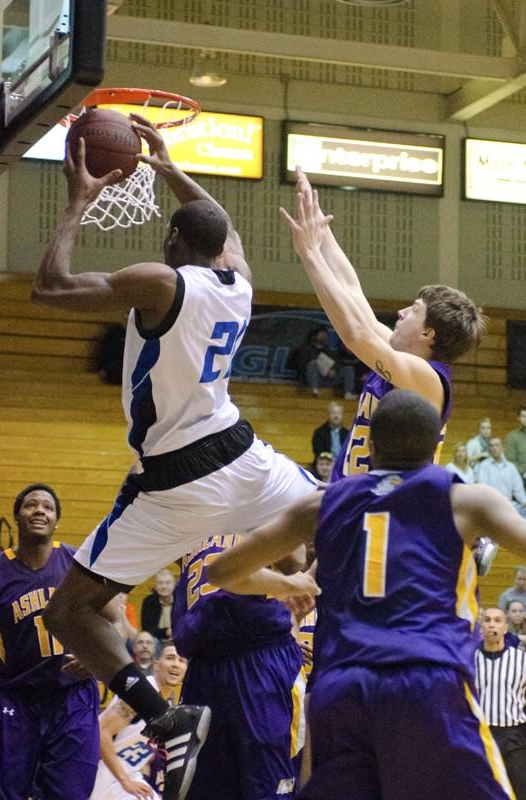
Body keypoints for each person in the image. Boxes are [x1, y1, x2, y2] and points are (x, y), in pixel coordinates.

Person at [35, 118, 317, 800]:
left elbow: (50, 287)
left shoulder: (160, 282)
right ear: (218, 248)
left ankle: (165, 717)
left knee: (70, 611)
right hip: (243, 456)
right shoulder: (239, 285)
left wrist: (76, 201)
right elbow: (231, 239)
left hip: (175, 481)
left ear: (171, 239)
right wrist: (169, 169)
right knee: (339, 510)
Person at [207, 389, 526, 800]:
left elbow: (223, 571)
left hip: (342, 687)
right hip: (427, 678)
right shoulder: (465, 499)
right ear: (436, 447)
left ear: (371, 446)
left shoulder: (321, 505)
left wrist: (289, 584)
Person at [278, 170, 495, 572]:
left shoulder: (428, 379)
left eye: (412, 309)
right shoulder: (400, 356)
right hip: (353, 499)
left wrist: (307, 253)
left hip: (385, 513)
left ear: (427, 332)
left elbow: (354, 332)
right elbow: (353, 293)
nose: (400, 312)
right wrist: (319, 228)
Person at [171, 533, 306, 800]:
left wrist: (261, 517)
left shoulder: (259, 499)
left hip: (260, 657)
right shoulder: (188, 509)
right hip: (203, 661)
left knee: (268, 787)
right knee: (207, 789)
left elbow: (297, 562)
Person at [0, 484, 100, 800]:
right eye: (31, 505)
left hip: (72, 693)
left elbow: (116, 621)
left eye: (48, 507)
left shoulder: (75, 561)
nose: (39, 510)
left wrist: (95, 657)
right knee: (7, 791)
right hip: (16, 695)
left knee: (70, 792)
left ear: (56, 521)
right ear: (17, 517)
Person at [91, 641, 188, 800]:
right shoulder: (141, 693)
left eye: (181, 661)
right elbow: (101, 733)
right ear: (156, 664)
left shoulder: (168, 706)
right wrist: (124, 780)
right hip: (103, 771)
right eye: (170, 658)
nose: (176, 665)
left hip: (129, 775)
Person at [475, 608, 526, 799]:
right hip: (480, 736)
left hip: (513, 736)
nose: (492, 625)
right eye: (487, 620)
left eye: (497, 621)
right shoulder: (469, 659)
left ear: (505, 628)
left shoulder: (521, 660)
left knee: (520, 791)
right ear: (482, 626)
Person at [295, 327, 357, 399]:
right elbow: (302, 366)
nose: (323, 337)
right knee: (312, 364)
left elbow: (338, 363)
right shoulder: (307, 351)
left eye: (325, 335)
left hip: (328, 379)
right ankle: (315, 391)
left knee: (348, 369)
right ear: (316, 336)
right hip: (314, 379)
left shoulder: (330, 352)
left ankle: (348, 393)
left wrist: (334, 370)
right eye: (321, 335)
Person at [477, 437, 526, 518]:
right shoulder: (484, 466)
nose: (494, 448)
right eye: (491, 446)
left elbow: (518, 489)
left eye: (497, 445)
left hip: (509, 506)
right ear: (489, 449)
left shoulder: (511, 467)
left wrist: (524, 501)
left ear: (502, 448)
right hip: (491, 507)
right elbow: (483, 490)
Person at [141, 569, 176, 644]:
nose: (164, 586)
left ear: (174, 585)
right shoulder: (149, 602)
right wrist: (166, 632)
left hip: (177, 638)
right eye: (160, 583)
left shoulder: (181, 600)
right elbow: (147, 629)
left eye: (168, 583)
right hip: (156, 640)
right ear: (156, 587)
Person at [506, 407, 526, 486]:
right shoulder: (512, 436)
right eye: (523, 416)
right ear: (518, 418)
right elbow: (511, 461)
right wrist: (524, 472)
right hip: (520, 476)